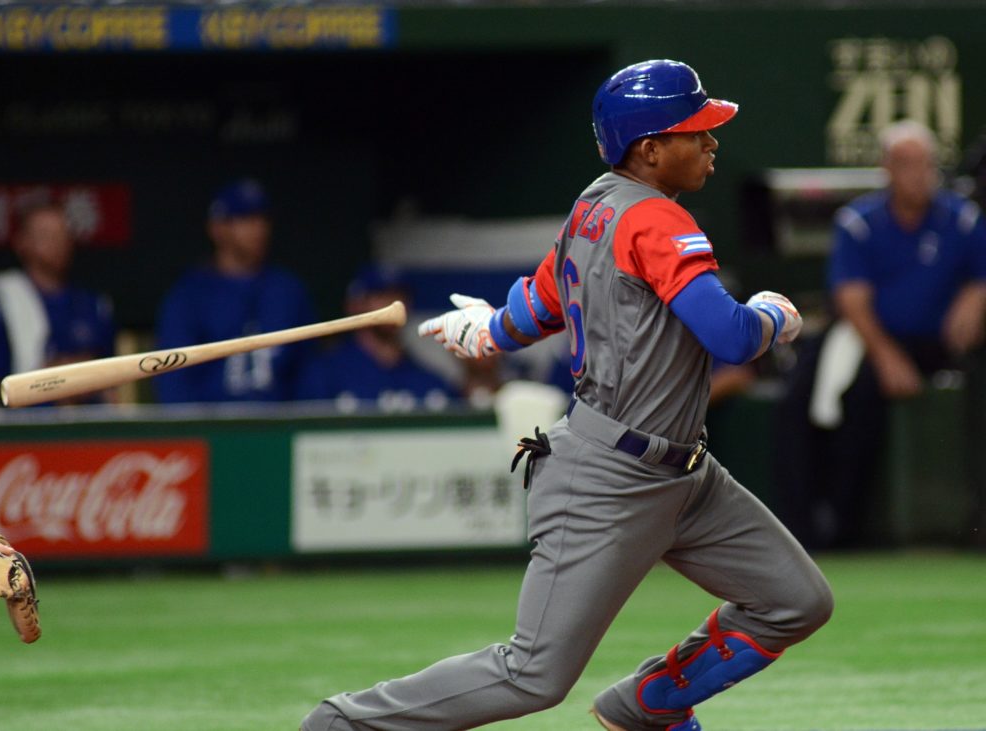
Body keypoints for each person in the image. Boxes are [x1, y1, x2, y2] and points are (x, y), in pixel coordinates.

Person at [301, 60, 833, 731]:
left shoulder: (595, 204)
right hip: (609, 477)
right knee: (533, 673)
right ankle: (345, 723)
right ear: (650, 148)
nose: (710, 141)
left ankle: (648, 706)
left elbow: (538, 308)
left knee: (796, 599)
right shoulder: (657, 220)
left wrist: (488, 329)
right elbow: (732, 337)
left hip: (687, 477)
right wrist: (775, 314)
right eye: (695, 131)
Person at [774, 119, 986, 550]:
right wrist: (887, 356)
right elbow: (853, 301)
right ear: (887, 168)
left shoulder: (962, 218)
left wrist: (976, 294)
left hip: (941, 341)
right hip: (873, 338)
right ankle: (825, 529)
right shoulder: (859, 222)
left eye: (925, 163)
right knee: (814, 398)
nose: (917, 173)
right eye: (906, 163)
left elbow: (980, 273)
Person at [154, 179, 317, 403]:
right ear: (218, 228)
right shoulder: (189, 297)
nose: (258, 229)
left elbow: (309, 375)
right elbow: (173, 381)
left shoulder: (288, 291)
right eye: (246, 220)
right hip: (212, 429)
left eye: (262, 219)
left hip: (279, 428)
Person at [0, 196, 115, 404]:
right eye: (46, 235)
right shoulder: (0, 302)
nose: (58, 242)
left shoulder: (94, 305)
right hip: (25, 428)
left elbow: (111, 386)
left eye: (63, 234)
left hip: (89, 428)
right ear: (22, 243)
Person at [295, 265, 456, 409]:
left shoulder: (429, 382)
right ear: (355, 304)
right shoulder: (325, 375)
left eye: (399, 297)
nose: (393, 304)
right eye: (380, 296)